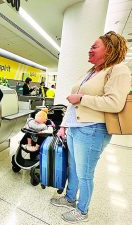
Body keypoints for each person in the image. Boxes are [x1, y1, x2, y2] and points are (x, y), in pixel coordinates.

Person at [50, 31, 131, 223]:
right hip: (76, 127)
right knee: (73, 168)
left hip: (94, 129)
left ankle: (82, 210)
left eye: (95, 46)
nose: (90, 49)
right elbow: (74, 103)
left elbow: (115, 103)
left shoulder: (119, 70)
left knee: (85, 173)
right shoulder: (91, 72)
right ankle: (70, 199)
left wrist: (82, 99)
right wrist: (64, 125)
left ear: (109, 49)